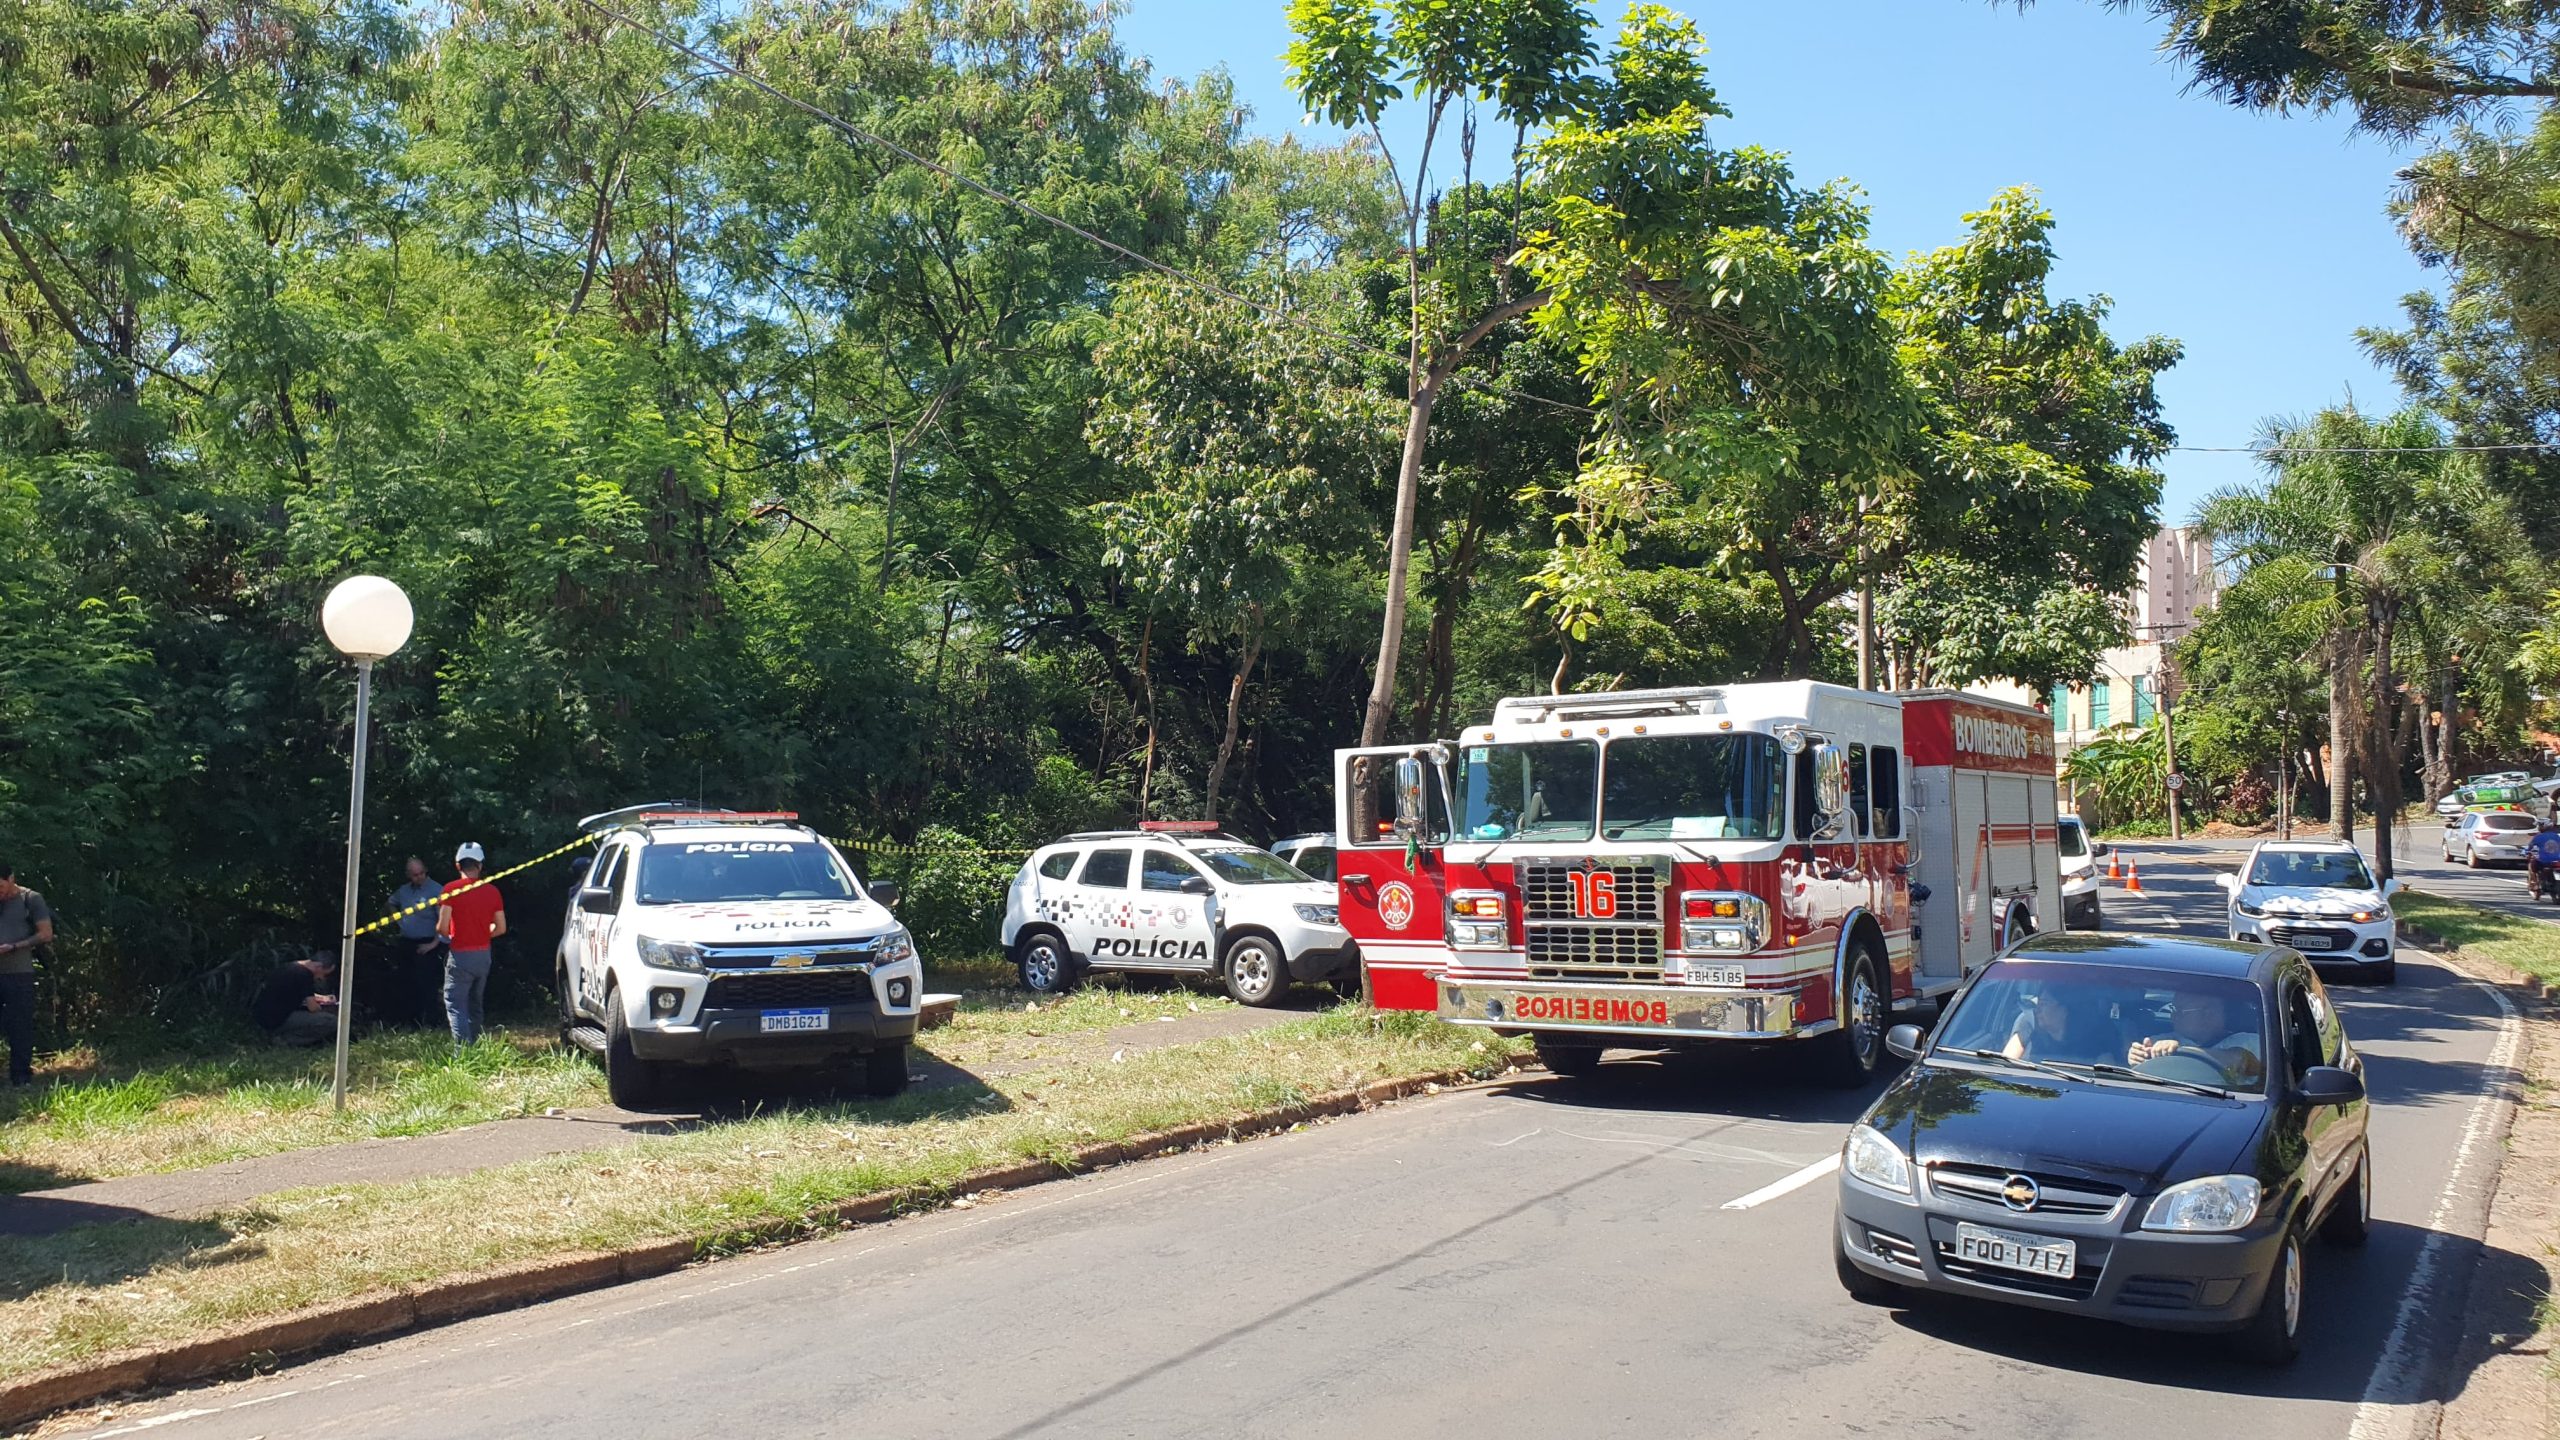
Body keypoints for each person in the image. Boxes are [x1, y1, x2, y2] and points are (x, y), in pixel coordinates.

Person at [438, 843, 507, 1046]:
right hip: (483, 954)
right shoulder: (492, 891)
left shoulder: (450, 890)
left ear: (458, 865)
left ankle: (463, 1052)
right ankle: (476, 1045)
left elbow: (442, 927)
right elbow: (501, 928)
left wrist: (453, 936)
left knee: (456, 1004)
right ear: (480, 865)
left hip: (460, 955)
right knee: (475, 1003)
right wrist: (482, 935)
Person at [2127, 989, 2263, 1084]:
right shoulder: (2162, 1039)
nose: (2173, 1016)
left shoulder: (2249, 1041)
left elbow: (2244, 1063)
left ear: (2208, 1014)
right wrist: (2138, 1056)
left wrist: (2180, 1051)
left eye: (2180, 1010)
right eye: (2173, 1009)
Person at [0, 863, 55, 1086]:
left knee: (20, 1025)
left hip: (18, 972)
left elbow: (46, 934)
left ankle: (21, 1076)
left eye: (0, 886)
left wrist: (15, 946)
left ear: (11, 878)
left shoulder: (30, 899)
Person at [251, 952, 340, 1046]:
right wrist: (327, 1007)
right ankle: (286, 1040)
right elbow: (313, 1008)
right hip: (278, 1019)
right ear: (319, 967)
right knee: (331, 1021)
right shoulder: (305, 975)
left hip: (263, 1015)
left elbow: (297, 993)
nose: (322, 978)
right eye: (324, 974)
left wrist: (321, 999)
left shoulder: (289, 967)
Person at [2527, 821, 2560, 898]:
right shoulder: (2557, 836)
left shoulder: (2538, 837)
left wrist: (2527, 852)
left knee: (2531, 865)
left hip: (2543, 861)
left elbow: (2529, 847)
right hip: (2557, 860)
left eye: (2539, 826)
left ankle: (2535, 884)